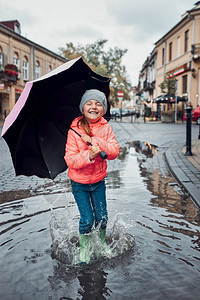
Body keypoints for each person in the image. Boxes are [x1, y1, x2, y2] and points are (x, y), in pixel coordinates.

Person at [64, 89, 119, 264]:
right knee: (87, 219)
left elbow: (114, 151)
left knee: (102, 217)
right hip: (79, 183)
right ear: (82, 108)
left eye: (98, 104)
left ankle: (101, 243)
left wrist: (97, 142)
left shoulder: (106, 128)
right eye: (89, 103)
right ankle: (84, 249)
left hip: (98, 181)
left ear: (103, 109)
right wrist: (89, 156)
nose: (94, 107)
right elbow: (70, 159)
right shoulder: (74, 130)